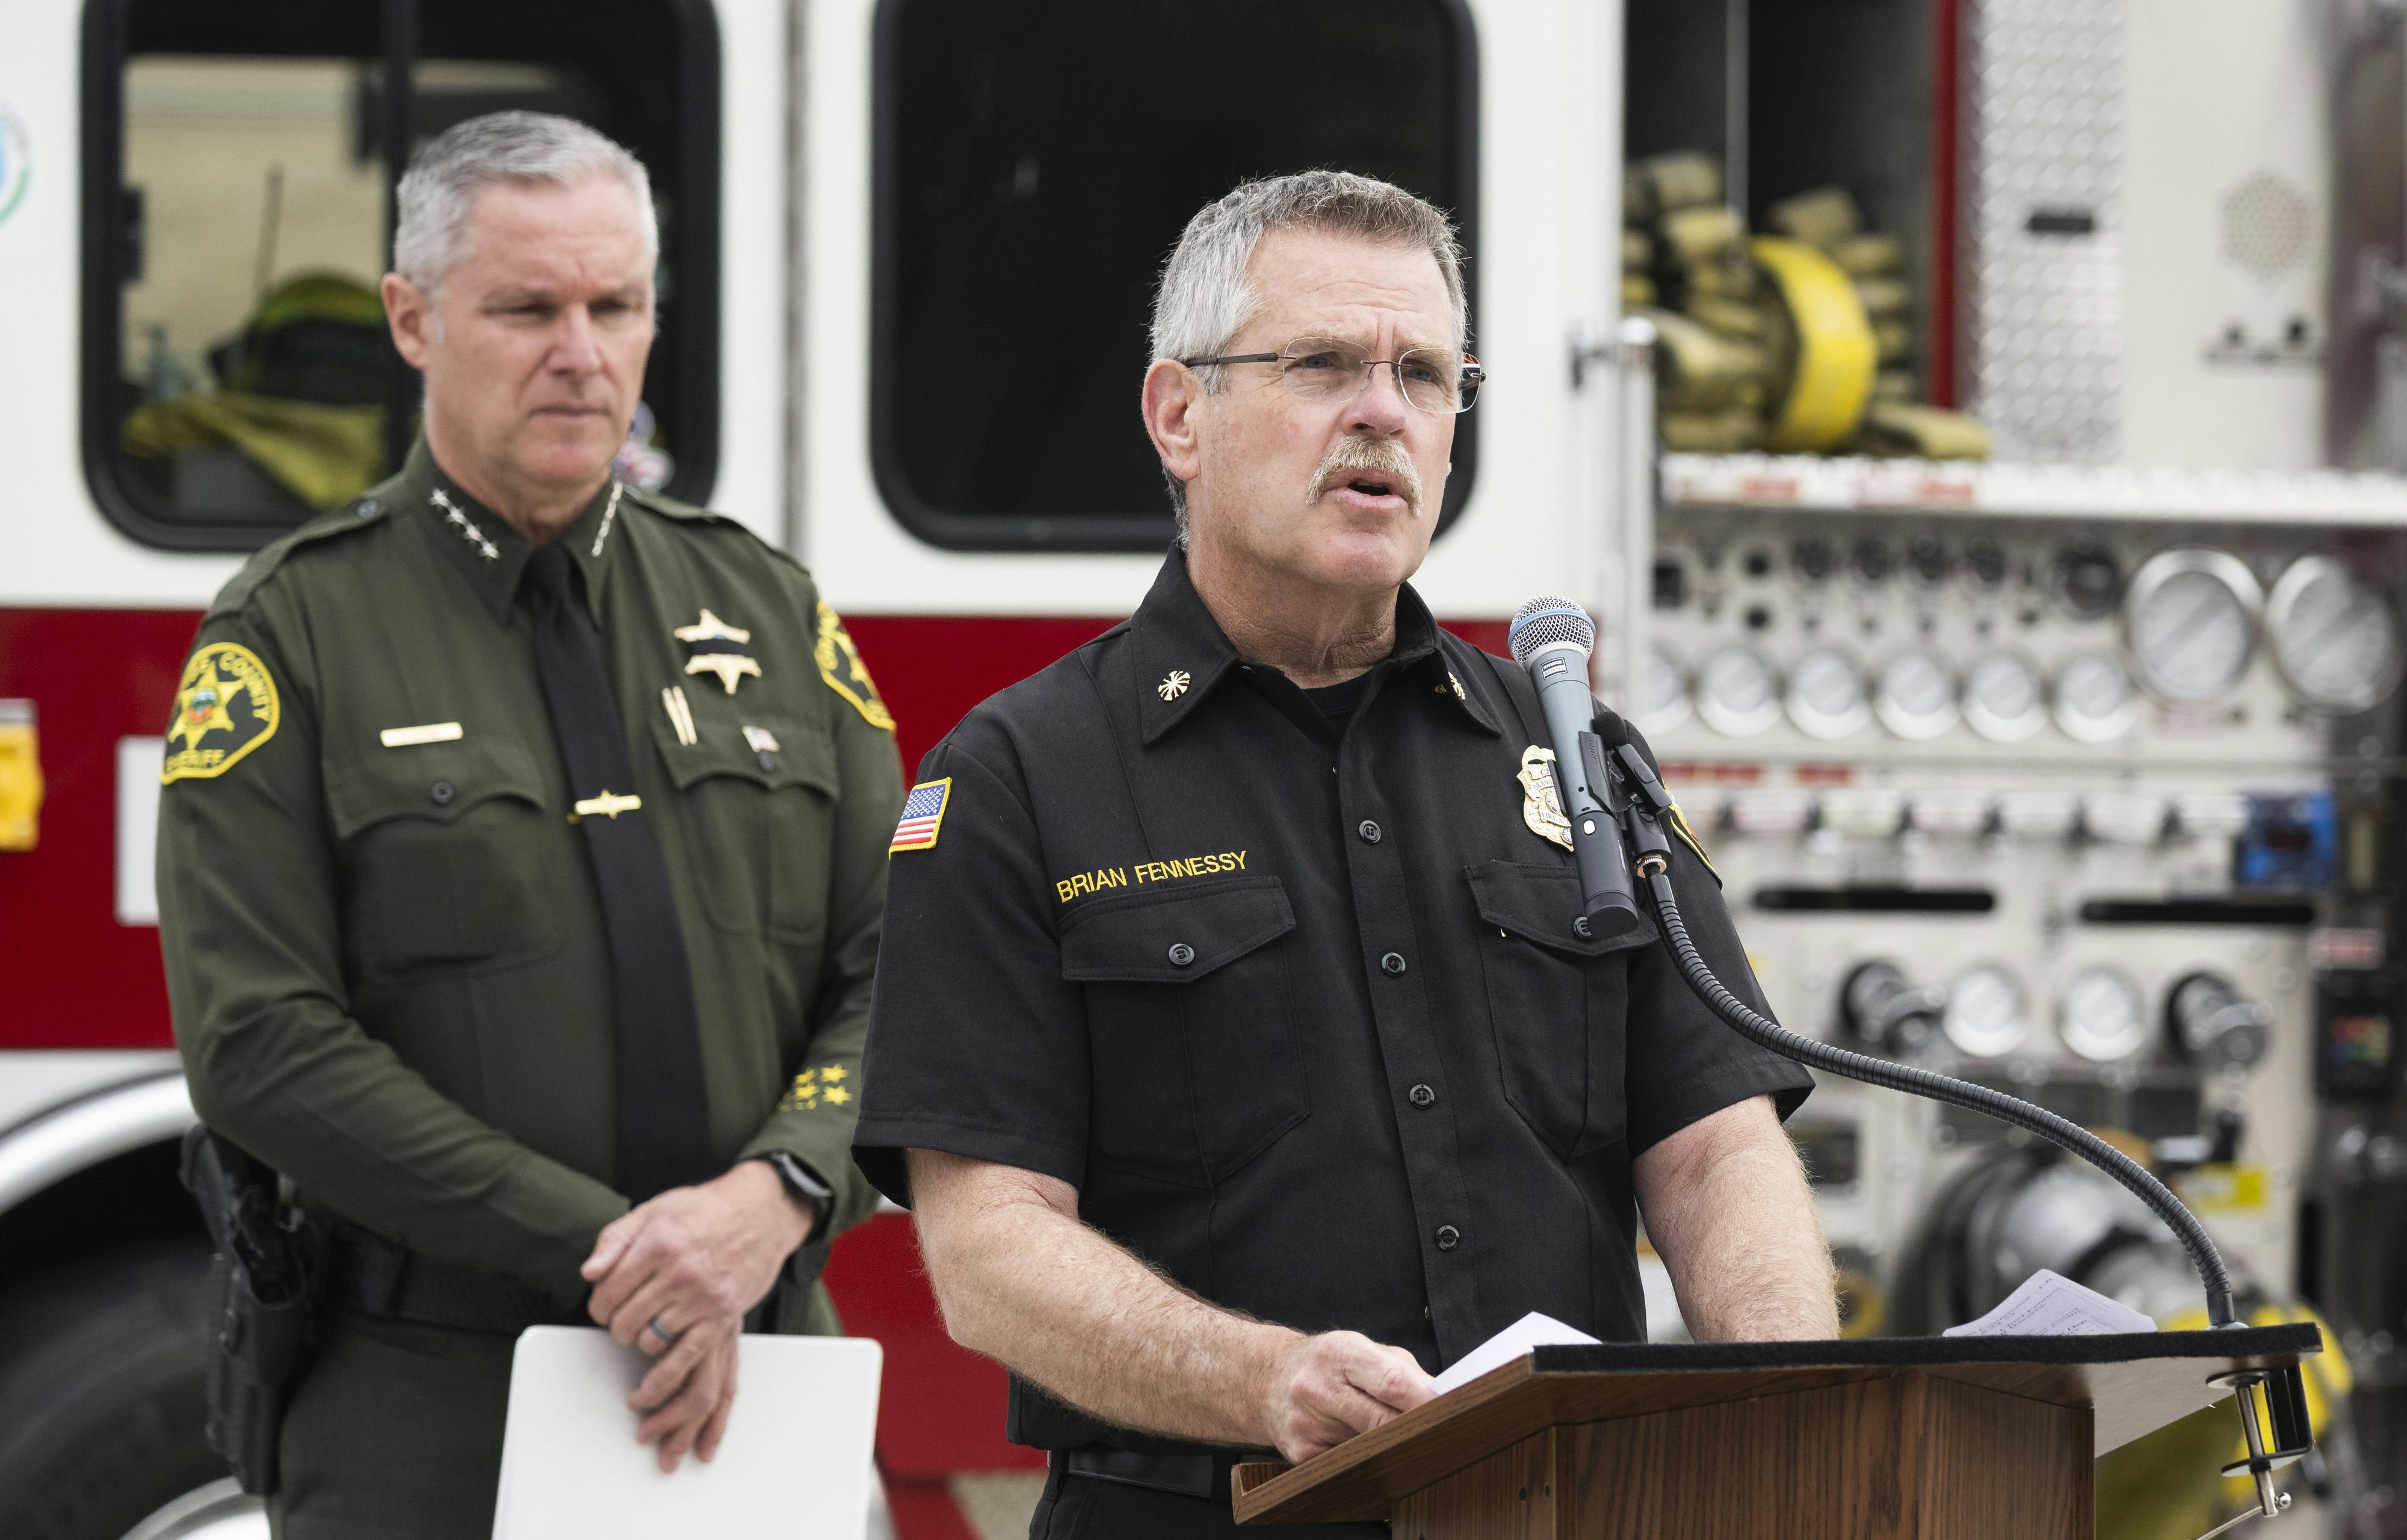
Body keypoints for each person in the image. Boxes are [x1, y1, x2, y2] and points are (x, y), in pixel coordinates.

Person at [850, 171, 1841, 1538]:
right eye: (1321, 363)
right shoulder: (1019, 775)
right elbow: (988, 1250)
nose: (1383, 410)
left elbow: (1716, 1146)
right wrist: (1267, 1379)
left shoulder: (1567, 753)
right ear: (1177, 415)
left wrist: (1789, 1396)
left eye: (1426, 373)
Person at [156, 112, 899, 1538]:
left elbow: (912, 959)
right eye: (527, 307)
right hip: (430, 1418)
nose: (582, 350)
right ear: (412, 318)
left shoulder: (767, 608)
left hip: (762, 1388)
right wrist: (619, 1252)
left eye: (616, 306)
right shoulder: (291, 632)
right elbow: (258, 1039)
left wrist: (780, 1191)